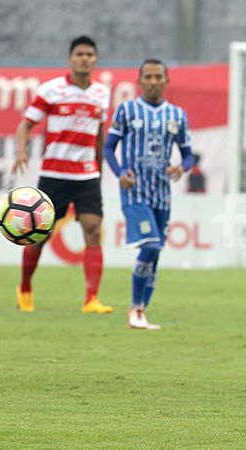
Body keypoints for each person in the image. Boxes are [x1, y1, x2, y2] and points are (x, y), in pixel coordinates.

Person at [11, 35, 113, 314]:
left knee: (92, 228)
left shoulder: (102, 93)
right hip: (54, 174)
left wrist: (99, 169)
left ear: (95, 59)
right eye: (80, 54)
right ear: (71, 58)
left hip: (86, 176)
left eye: (89, 55)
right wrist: (21, 151)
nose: (85, 59)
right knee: (40, 235)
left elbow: (99, 135)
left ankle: (91, 299)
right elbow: (25, 125)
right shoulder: (51, 90)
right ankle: (25, 289)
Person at [102, 59, 194, 330]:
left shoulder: (177, 115)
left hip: (162, 195)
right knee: (150, 245)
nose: (154, 82)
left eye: (158, 77)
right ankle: (135, 308)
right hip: (135, 193)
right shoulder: (127, 110)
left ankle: (141, 312)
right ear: (140, 81)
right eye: (149, 77)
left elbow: (188, 155)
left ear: (167, 81)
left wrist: (181, 167)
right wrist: (120, 173)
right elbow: (108, 149)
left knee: (155, 253)